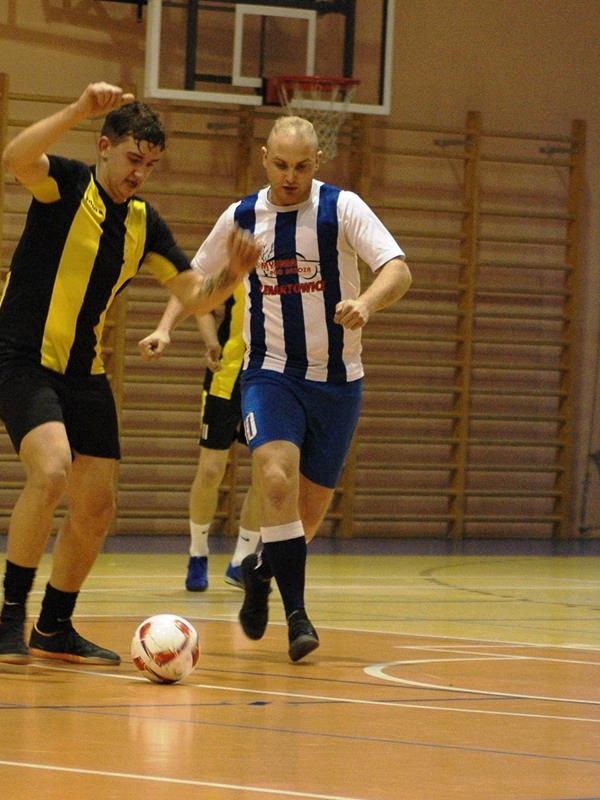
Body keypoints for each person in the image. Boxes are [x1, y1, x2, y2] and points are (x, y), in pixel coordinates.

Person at [0, 82, 259, 666]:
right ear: (104, 147)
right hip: (21, 356)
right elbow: (15, 158)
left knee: (97, 506)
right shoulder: (66, 185)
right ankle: (10, 616)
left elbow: (196, 294)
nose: (140, 173)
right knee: (51, 470)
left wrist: (233, 275)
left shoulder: (143, 224)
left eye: (150, 165)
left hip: (82, 370)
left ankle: (54, 628)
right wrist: (78, 108)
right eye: (133, 158)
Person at [140, 116, 412, 662]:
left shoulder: (342, 208)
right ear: (264, 158)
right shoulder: (241, 218)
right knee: (274, 477)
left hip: (338, 382)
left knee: (303, 523)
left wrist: (366, 303)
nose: (291, 177)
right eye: (281, 165)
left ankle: (261, 570)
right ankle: (298, 618)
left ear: (318, 163)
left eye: (302, 167)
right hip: (270, 374)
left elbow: (398, 270)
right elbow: (196, 287)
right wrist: (171, 323)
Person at [140, 283, 261, 592]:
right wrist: (210, 341)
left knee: (265, 474)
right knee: (210, 470)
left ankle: (242, 561)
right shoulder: (236, 265)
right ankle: (198, 553)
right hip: (224, 376)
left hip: (269, 382)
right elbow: (197, 298)